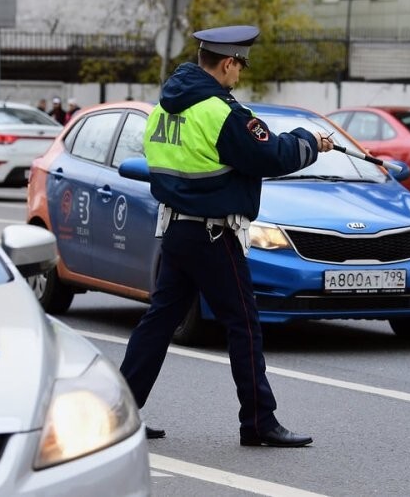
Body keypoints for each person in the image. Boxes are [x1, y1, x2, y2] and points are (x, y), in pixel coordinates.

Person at [118, 25, 334, 447]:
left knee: (159, 322)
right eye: (238, 67)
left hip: (176, 229)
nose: (238, 77)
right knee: (244, 325)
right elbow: (270, 154)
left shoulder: (164, 108)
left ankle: (118, 413)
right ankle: (258, 422)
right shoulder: (218, 110)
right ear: (228, 63)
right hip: (214, 235)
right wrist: (309, 141)